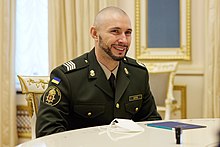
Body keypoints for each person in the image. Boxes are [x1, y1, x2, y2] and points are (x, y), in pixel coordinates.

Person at [36, 6, 161, 138]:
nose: (123, 40)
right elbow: (47, 132)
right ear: (95, 34)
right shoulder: (68, 77)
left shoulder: (138, 73)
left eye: (128, 33)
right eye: (115, 32)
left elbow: (151, 123)